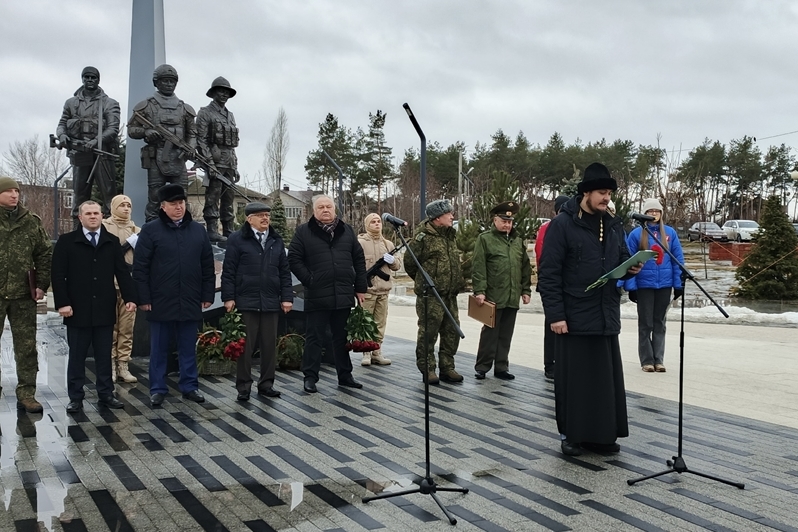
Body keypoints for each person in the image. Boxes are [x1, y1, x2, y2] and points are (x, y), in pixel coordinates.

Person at [538, 163, 642, 457]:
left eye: (609, 193)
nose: (606, 198)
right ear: (586, 192)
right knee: (576, 382)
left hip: (605, 314)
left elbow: (620, 259)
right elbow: (549, 274)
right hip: (573, 316)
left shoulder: (612, 224)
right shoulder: (562, 225)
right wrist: (556, 315)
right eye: (601, 192)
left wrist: (631, 268)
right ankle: (573, 435)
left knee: (604, 381)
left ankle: (602, 434)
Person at [132, 184, 215, 406]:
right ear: (163, 206)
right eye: (173, 204)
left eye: (181, 203)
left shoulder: (198, 231)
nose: (179, 208)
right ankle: (158, 388)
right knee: (159, 348)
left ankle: (190, 386)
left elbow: (207, 266)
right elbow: (140, 267)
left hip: (190, 299)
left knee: (188, 347)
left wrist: (207, 294)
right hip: (160, 300)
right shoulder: (150, 230)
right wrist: (144, 298)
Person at [51, 201, 137, 413]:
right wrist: (62, 303)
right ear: (80, 218)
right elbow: (58, 275)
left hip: (104, 309)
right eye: (88, 213)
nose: (92, 217)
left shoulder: (111, 241)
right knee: (77, 355)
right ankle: (76, 397)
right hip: (76, 309)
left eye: (96, 213)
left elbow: (122, 272)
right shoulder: (67, 241)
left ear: (102, 216)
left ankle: (106, 394)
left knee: (103, 355)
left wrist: (130, 298)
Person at [288, 195, 367, 393]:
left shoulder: (346, 230)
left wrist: (360, 287)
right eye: (321, 207)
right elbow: (294, 259)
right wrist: (310, 279)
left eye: (329, 206)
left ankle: (345, 375)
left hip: (342, 293)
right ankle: (310, 377)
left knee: (341, 338)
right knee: (315, 337)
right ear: (314, 211)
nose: (325, 210)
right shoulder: (303, 232)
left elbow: (358, 259)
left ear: (334, 209)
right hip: (317, 294)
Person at [222, 202, 292, 401]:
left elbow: (284, 272)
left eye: (267, 215)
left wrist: (286, 297)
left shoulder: (276, 240)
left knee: (269, 345)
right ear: (248, 218)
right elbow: (229, 271)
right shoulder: (237, 239)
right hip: (246, 301)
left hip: (270, 300)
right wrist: (228, 298)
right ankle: (244, 387)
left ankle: (267, 384)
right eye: (260, 215)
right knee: (246, 346)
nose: (265, 219)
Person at [0, 177, 52, 413]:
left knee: (26, 346)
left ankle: (27, 393)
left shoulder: (31, 222)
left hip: (22, 296)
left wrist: (41, 284)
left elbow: (43, 254)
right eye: (8, 191)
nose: (14, 195)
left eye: (16, 191)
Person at [405, 199, 465, 385]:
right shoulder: (423, 237)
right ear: (438, 218)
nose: (452, 216)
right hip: (431, 295)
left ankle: (447, 367)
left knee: (451, 332)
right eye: (449, 214)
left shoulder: (450, 235)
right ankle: (428, 369)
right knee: (429, 333)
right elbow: (410, 263)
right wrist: (426, 282)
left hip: (450, 294)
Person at [127, 64, 197, 222]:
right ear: (156, 82)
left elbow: (192, 133)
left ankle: (185, 226)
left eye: (172, 81)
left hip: (178, 159)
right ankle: (151, 227)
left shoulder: (185, 109)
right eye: (164, 81)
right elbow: (131, 129)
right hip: (155, 158)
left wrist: (191, 147)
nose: (168, 84)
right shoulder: (147, 106)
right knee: (155, 196)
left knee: (181, 196)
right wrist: (146, 132)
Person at [622, 198, 684, 373]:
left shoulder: (670, 233)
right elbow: (629, 262)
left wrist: (678, 284)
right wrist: (631, 287)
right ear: (644, 214)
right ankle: (647, 360)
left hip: (664, 285)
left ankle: (659, 359)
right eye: (650, 211)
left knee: (659, 322)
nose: (654, 214)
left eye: (657, 211)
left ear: (661, 214)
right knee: (645, 323)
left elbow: (678, 260)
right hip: (644, 286)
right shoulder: (636, 234)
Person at [472, 201, 532, 381]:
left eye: (510, 221)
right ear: (495, 220)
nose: (507, 224)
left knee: (506, 334)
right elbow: (479, 267)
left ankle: (501, 367)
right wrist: (480, 290)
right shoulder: (485, 239)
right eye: (503, 221)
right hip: (493, 295)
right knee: (490, 333)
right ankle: (482, 366)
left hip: (512, 295)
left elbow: (525, 267)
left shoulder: (517, 241)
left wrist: (526, 290)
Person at [56, 66, 119, 222]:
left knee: (109, 195)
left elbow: (113, 128)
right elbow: (62, 123)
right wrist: (62, 135)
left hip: (102, 153)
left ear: (98, 80)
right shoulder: (71, 103)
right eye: (87, 77)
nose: (90, 80)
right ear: (82, 79)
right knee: (79, 194)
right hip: (80, 152)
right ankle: (77, 232)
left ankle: (110, 231)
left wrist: (96, 141)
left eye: (93, 77)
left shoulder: (109, 103)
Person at [102, 195, 141, 383]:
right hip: (107, 283)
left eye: (129, 205)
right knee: (110, 327)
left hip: (129, 284)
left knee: (126, 327)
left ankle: (123, 364)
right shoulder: (103, 227)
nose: (126, 209)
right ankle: (109, 363)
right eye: (122, 205)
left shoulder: (137, 230)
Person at [197, 76, 240, 243]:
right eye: (220, 91)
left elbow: (232, 145)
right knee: (213, 196)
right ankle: (212, 230)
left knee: (229, 198)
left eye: (226, 92)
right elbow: (201, 140)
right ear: (214, 92)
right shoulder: (205, 113)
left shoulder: (230, 115)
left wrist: (235, 165)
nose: (223, 94)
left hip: (229, 161)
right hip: (214, 161)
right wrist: (209, 163)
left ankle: (229, 229)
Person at [357, 213, 401, 367]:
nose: (377, 224)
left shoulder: (388, 244)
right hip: (368, 291)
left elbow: (397, 266)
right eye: (373, 222)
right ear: (367, 225)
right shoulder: (360, 243)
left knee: (380, 323)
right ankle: (366, 353)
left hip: (383, 291)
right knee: (366, 322)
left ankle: (377, 352)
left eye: (378, 222)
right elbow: (355, 266)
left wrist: (393, 260)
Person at [534, 195, 570, 381]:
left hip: (568, 285)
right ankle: (551, 364)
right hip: (553, 283)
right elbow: (542, 254)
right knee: (552, 325)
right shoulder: (548, 228)